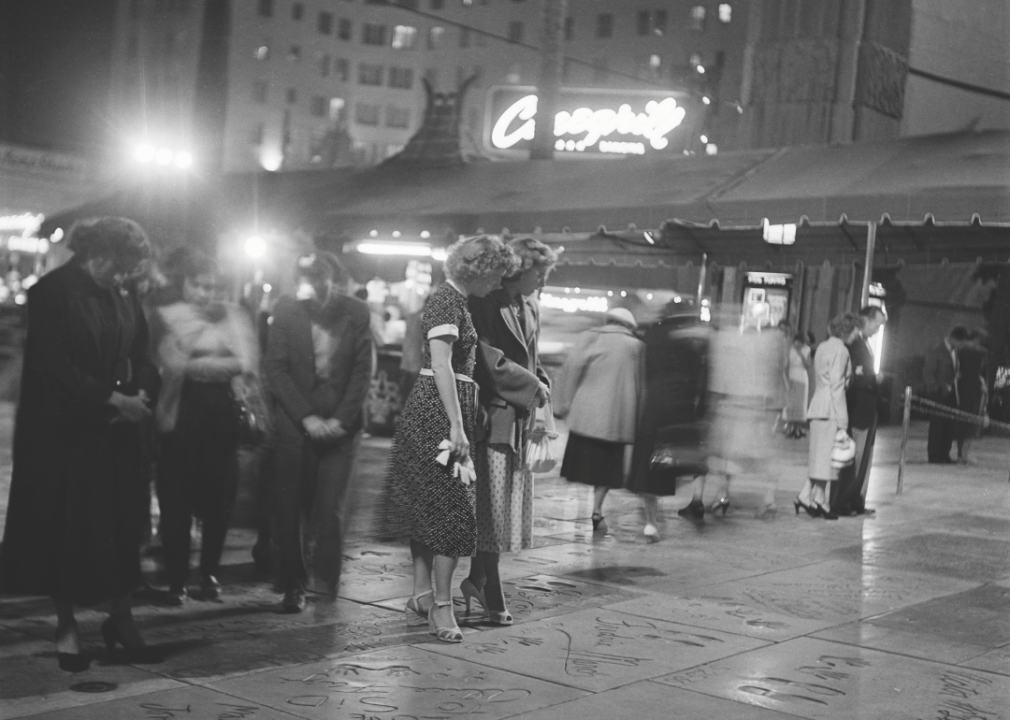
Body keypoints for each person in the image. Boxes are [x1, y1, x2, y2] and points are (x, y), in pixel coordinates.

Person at [0, 217, 162, 670]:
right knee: (68, 530)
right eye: (120, 266)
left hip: (113, 429)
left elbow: (142, 351)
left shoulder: (122, 291)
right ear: (99, 255)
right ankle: (66, 624)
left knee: (119, 529)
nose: (124, 277)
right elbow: (54, 367)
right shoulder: (52, 291)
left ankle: (121, 618)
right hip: (64, 434)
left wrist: (142, 394)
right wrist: (112, 399)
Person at [384, 235, 515, 643]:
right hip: (437, 413)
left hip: (439, 408)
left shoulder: (454, 301)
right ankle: (441, 606)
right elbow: (441, 365)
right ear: (478, 271)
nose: (498, 283)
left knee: (428, 509)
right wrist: (456, 427)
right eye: (495, 274)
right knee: (454, 515)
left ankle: (423, 595)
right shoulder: (446, 301)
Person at [265, 253, 374, 613]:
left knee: (329, 509)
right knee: (289, 506)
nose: (316, 291)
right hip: (296, 425)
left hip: (342, 425)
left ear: (336, 281)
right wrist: (307, 418)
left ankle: (326, 581)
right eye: (308, 282)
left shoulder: (356, 312)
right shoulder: (287, 311)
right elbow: (276, 370)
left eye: (322, 282)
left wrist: (341, 420)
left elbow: (362, 371)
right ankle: (292, 583)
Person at [152, 249, 259, 603]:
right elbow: (175, 364)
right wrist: (221, 360)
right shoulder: (167, 317)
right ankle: (177, 579)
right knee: (176, 503)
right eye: (199, 285)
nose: (206, 293)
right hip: (180, 418)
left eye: (213, 287)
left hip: (222, 421)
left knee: (218, 503)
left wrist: (200, 354)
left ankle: (209, 574)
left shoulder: (235, 316)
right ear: (186, 284)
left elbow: (245, 362)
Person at [463, 237, 554, 623]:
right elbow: (488, 360)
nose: (543, 281)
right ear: (520, 268)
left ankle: (477, 580)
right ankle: (489, 584)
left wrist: (542, 380)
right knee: (492, 510)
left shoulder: (528, 305)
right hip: (496, 415)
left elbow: (531, 357)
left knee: (505, 507)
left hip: (520, 419)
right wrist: (533, 386)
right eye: (540, 273)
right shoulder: (486, 302)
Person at [555, 308, 645, 536]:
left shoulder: (590, 337)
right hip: (616, 418)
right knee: (606, 469)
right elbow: (641, 383)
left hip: (586, 415)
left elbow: (571, 370)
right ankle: (596, 509)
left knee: (582, 465)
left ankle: (579, 507)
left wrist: (563, 404)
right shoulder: (636, 347)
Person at [628, 314, 710, 529]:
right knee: (689, 459)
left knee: (650, 467)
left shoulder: (653, 338)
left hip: (654, 407)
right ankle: (697, 500)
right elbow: (700, 381)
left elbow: (642, 375)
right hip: (682, 409)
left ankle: (651, 522)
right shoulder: (692, 344)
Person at [706, 321, 783, 519]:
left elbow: (721, 381)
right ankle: (768, 498)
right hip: (756, 409)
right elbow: (772, 382)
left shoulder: (733, 349)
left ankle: (722, 494)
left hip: (735, 408)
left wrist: (714, 404)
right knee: (763, 456)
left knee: (727, 456)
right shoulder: (764, 350)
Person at [796, 312, 858, 520]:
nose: (856, 335)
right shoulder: (841, 350)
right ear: (848, 331)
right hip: (831, 408)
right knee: (827, 459)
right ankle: (819, 499)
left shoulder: (822, 346)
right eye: (855, 331)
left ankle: (808, 496)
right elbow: (837, 386)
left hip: (817, 406)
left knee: (819, 457)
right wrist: (843, 418)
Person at [834, 306, 886, 516]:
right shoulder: (854, 344)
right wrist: (874, 379)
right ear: (865, 320)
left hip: (867, 409)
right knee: (854, 457)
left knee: (864, 458)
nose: (877, 329)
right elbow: (852, 377)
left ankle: (857, 500)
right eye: (876, 324)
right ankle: (846, 500)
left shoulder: (865, 343)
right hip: (858, 409)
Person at [923, 326, 970, 464]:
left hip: (952, 393)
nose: (961, 345)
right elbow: (928, 372)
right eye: (960, 342)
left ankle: (945, 454)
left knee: (949, 426)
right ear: (954, 338)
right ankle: (934, 455)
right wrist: (935, 388)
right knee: (938, 426)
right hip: (940, 393)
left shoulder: (955, 351)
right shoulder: (937, 350)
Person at [955, 328, 989, 464]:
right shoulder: (981, 353)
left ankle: (961, 454)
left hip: (964, 388)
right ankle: (963, 454)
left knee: (964, 422)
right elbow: (983, 373)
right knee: (970, 423)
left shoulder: (960, 350)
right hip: (973, 390)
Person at [784, 332, 811, 438]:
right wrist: (786, 379)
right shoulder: (789, 350)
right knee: (791, 403)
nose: (798, 343)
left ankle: (798, 427)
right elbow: (786, 365)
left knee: (800, 404)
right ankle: (790, 427)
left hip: (802, 378)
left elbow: (807, 365)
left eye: (801, 342)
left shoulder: (807, 350)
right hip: (792, 377)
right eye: (797, 341)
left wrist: (800, 353)